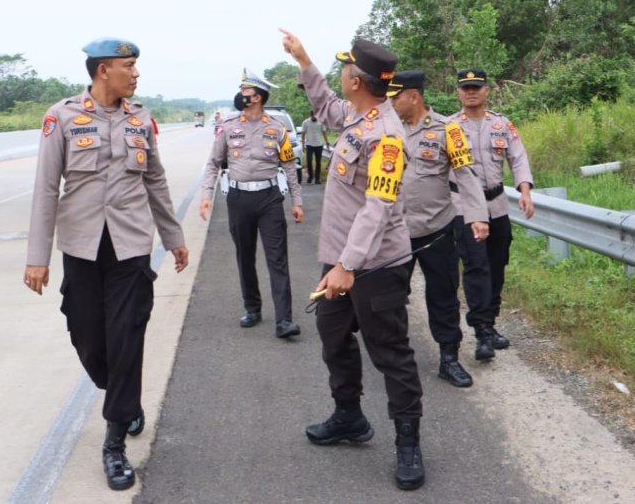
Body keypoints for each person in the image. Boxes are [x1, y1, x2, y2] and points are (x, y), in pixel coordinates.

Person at [23, 38, 189, 493]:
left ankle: (115, 441)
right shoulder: (62, 117)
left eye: (135, 67)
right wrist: (38, 256)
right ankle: (122, 394)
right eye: (128, 66)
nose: (135, 74)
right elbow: (44, 189)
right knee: (89, 339)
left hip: (131, 247)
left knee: (126, 337)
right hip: (81, 246)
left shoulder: (139, 118)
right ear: (102, 71)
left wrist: (173, 237)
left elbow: (155, 179)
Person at [281, 31, 425, 493]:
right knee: (334, 338)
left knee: (391, 353)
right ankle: (349, 417)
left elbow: (378, 207)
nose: (339, 74)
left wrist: (348, 266)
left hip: (374, 265)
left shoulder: (385, 135)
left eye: (344, 69)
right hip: (338, 262)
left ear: (357, 80)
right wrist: (303, 60)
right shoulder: (357, 118)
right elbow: (323, 105)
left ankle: (408, 443)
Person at [389, 70, 489, 389]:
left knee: (443, 295)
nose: (391, 103)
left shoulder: (449, 129)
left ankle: (449, 359)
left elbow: (466, 175)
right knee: (390, 297)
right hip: (395, 232)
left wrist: (477, 215)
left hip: (438, 230)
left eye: (396, 97)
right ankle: (393, 357)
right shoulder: (386, 131)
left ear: (413, 97)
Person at [199, 69, 304, 338]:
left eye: (245, 91)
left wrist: (297, 202)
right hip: (238, 199)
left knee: (277, 259)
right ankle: (252, 308)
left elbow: (289, 167)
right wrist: (206, 195)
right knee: (244, 257)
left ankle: (284, 320)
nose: (240, 95)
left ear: (256, 97)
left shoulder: (278, 129)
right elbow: (213, 164)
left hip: (269, 199)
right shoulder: (229, 127)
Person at [452, 69, 535, 361]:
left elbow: (518, 158)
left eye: (476, 87)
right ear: (459, 92)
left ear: (487, 90)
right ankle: (482, 331)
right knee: (476, 266)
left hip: (497, 205)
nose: (471, 92)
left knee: (497, 266)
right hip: (464, 207)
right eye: (466, 88)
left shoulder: (501, 125)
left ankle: (491, 321)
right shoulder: (449, 128)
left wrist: (524, 191)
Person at [301, 109, 330, 184]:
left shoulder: (321, 122)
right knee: (309, 160)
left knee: (318, 162)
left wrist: (327, 142)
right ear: (311, 115)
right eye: (313, 116)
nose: (315, 117)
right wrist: (302, 145)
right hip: (309, 144)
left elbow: (324, 133)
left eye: (316, 116)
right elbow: (303, 134)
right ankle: (310, 176)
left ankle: (317, 178)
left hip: (319, 145)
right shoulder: (306, 122)